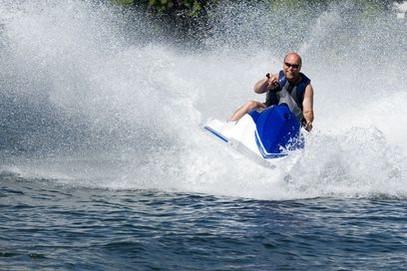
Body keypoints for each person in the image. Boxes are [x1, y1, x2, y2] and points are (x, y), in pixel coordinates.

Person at [230, 52, 314, 131]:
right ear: (283, 64)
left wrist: (308, 122)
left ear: (300, 68)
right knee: (251, 104)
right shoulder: (277, 77)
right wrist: (267, 81)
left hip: (288, 119)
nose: (290, 68)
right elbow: (257, 90)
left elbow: (308, 111)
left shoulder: (306, 87)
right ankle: (228, 126)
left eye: (294, 66)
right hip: (269, 112)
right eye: (287, 65)